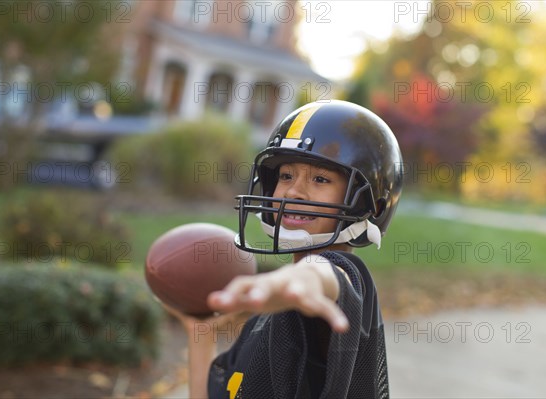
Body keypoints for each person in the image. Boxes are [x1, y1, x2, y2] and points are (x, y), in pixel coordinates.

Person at [169, 100, 403, 398]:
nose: (293, 191)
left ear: (369, 204)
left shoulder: (345, 280)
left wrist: (301, 278)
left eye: (320, 179)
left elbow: (325, 275)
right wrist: (200, 331)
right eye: (286, 176)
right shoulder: (265, 316)